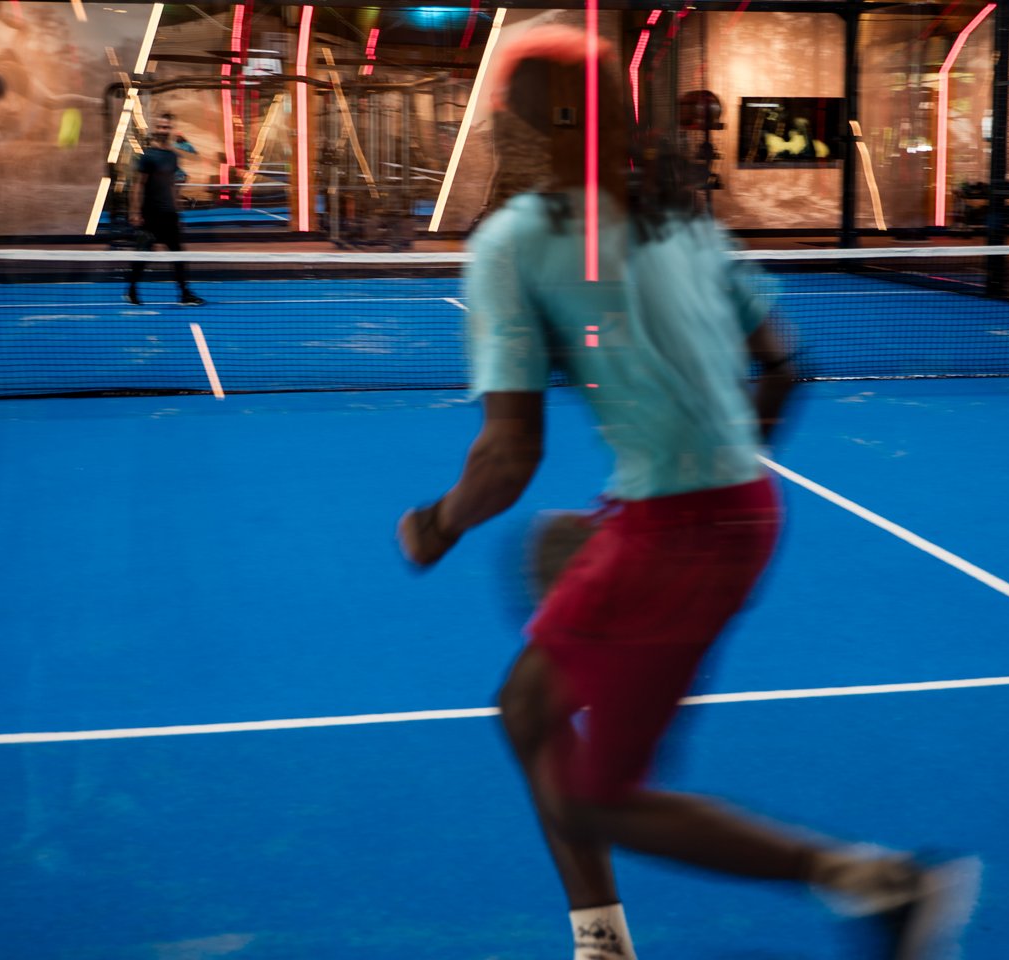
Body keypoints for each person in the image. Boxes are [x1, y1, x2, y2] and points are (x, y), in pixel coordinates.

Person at [395, 26, 978, 960]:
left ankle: (880, 883)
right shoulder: (687, 220)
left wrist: (434, 526)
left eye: (506, 113)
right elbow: (785, 371)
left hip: (679, 529)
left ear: (536, 125)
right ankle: (602, 944)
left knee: (602, 795)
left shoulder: (511, 242)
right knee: (528, 709)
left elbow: (509, 458)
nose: (498, 129)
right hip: (739, 509)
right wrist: (694, 479)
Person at [126, 113, 204, 307]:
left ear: (171, 130)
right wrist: (135, 212)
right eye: (160, 127)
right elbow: (138, 185)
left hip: (169, 216)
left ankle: (184, 293)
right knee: (142, 256)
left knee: (178, 255)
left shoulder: (172, 156)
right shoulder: (147, 156)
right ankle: (131, 290)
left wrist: (177, 210)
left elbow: (171, 186)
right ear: (155, 129)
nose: (163, 131)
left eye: (166, 127)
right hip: (150, 216)